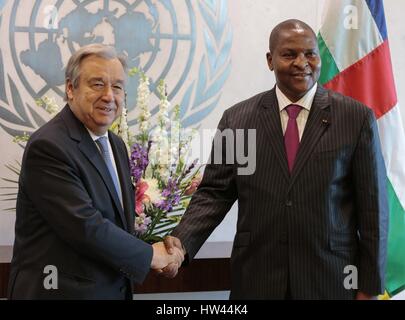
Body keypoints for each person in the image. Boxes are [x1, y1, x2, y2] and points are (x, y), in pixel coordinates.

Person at [163, 20, 389, 299]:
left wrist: (369, 286)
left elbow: (373, 209)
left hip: (332, 279)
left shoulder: (355, 118)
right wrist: (182, 243)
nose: (302, 62)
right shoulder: (237, 120)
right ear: (270, 60)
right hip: (258, 278)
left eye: (310, 53)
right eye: (289, 54)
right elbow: (215, 193)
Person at [7, 44, 183, 300]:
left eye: (118, 87)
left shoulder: (116, 145)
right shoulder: (49, 146)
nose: (109, 96)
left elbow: (115, 223)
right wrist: (151, 256)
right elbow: (85, 226)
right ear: (70, 88)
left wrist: (163, 245)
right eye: (97, 84)